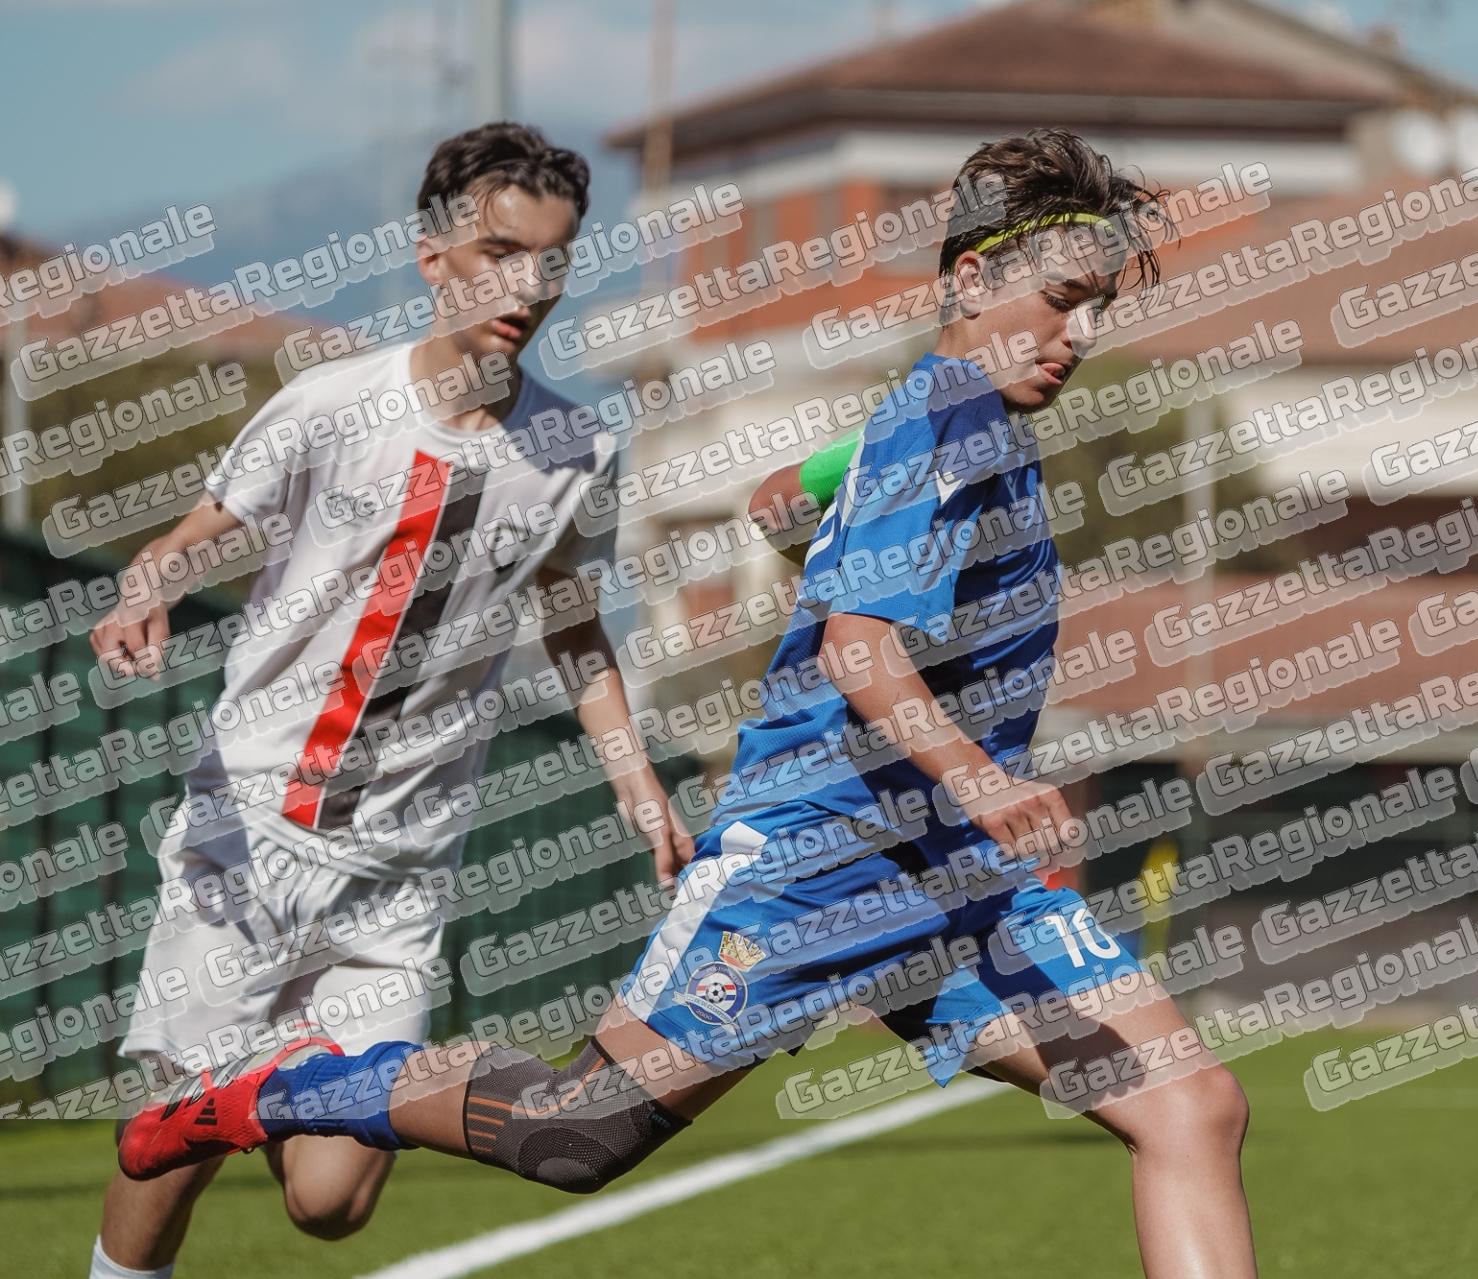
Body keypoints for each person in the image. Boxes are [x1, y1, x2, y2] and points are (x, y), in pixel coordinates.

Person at [117, 128, 1256, 1279]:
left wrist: (834, 484)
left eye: (1100, 307)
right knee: (575, 1133)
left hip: (949, 873)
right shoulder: (948, 420)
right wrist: (984, 778)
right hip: (813, 867)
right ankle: (266, 1091)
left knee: (1190, 1105)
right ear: (969, 281)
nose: (1083, 334)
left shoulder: (957, 418)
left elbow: (786, 501)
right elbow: (860, 651)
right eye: (1062, 300)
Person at [88, 121, 691, 1279]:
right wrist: (147, 587)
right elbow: (199, 530)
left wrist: (636, 780)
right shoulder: (332, 403)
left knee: (332, 1201)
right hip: (253, 833)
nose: (529, 286)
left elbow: (574, 626)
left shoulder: (574, 449)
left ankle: (254, 1079)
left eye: (552, 260)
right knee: (169, 1146)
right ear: (433, 258)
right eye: (501, 253)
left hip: (401, 871)